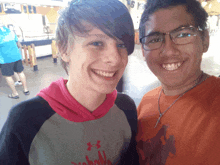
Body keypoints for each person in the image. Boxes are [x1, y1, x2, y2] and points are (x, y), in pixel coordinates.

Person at [0, 0, 139, 164]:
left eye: (121, 44)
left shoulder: (126, 108)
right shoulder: (25, 121)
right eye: (96, 43)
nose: (115, 59)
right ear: (64, 49)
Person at [136, 0, 220, 164]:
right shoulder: (145, 103)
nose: (168, 50)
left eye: (183, 34)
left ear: (205, 40)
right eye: (155, 39)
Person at [0, 22, 29, 99]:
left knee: (8, 76)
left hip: (5, 59)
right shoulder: (11, 32)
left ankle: (15, 94)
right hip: (16, 56)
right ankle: (26, 90)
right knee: (20, 72)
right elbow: (18, 44)